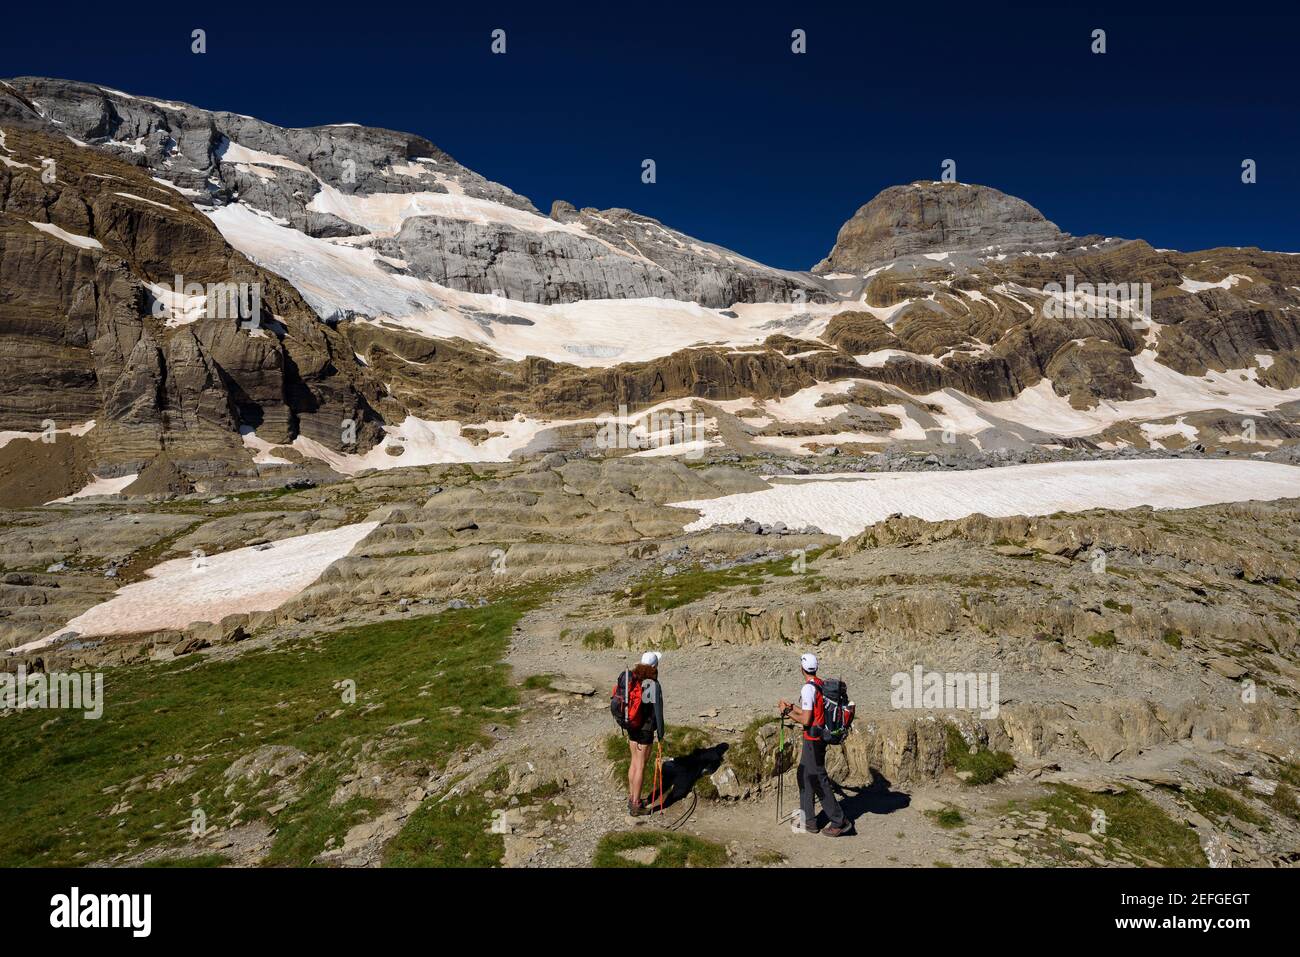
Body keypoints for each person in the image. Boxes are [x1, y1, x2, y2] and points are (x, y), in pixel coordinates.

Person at [778, 652, 850, 836]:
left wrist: (786, 713)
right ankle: (808, 820)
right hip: (818, 738)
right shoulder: (819, 684)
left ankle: (839, 821)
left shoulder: (807, 689)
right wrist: (792, 707)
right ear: (815, 668)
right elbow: (812, 711)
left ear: (801, 668)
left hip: (812, 739)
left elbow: (806, 719)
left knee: (818, 779)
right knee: (804, 775)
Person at [626, 651, 666, 817]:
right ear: (654, 666)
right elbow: (656, 711)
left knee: (634, 762)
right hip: (645, 729)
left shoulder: (633, 678)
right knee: (641, 765)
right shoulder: (652, 684)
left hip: (632, 726)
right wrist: (661, 733)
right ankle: (636, 804)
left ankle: (631, 798)